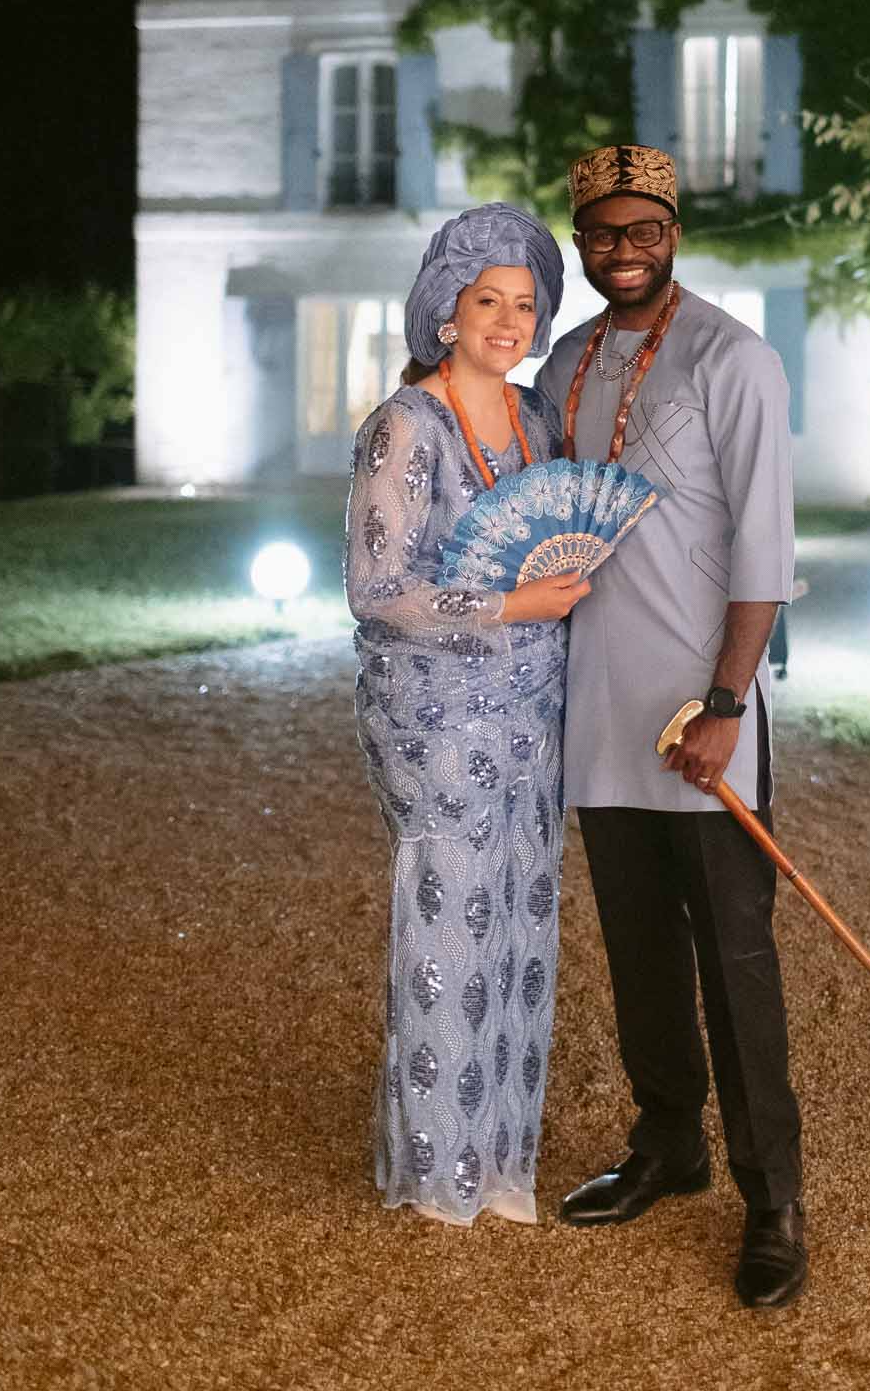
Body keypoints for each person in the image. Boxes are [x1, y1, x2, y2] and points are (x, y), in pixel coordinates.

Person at [537, 144, 808, 1309]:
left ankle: (774, 1197)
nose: (624, 249)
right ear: (582, 240)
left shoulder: (733, 358)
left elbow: (766, 545)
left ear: (675, 232)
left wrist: (728, 702)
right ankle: (667, 1141)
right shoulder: (563, 361)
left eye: (644, 228)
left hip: (700, 713)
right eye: (603, 232)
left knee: (735, 958)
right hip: (594, 711)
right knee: (638, 945)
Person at [345, 202, 590, 1226]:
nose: (508, 319)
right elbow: (379, 587)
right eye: (488, 299)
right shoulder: (405, 424)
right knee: (449, 916)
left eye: (526, 303)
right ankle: (436, 1166)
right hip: (436, 716)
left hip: (536, 708)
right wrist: (510, 603)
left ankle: (501, 1159)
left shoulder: (536, 419)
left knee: (524, 915)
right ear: (446, 311)